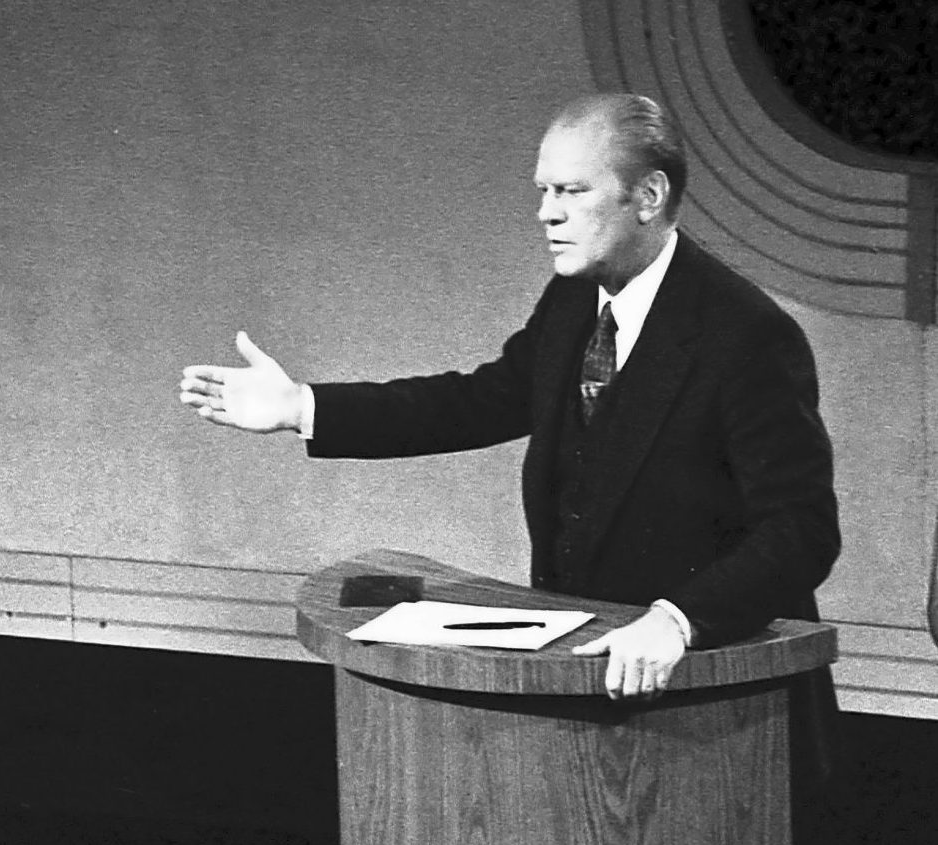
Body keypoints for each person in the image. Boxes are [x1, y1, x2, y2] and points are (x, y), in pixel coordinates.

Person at [177, 91, 840, 702]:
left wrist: (677, 620)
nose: (544, 212)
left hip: (723, 703)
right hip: (587, 681)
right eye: (543, 190)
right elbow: (481, 400)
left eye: (571, 191)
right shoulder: (573, 299)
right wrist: (304, 408)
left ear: (647, 195)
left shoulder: (745, 333)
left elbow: (801, 529)